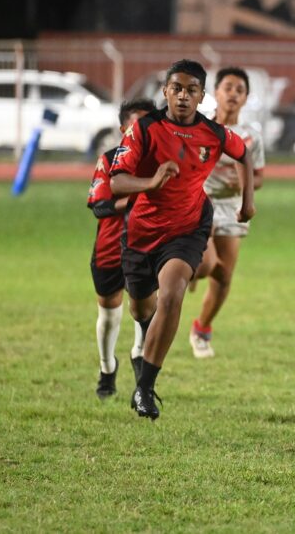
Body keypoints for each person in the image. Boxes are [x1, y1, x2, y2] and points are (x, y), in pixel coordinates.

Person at [110, 59, 256, 420]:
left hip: (187, 228)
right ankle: (148, 337)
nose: (183, 96)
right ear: (165, 91)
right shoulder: (145, 129)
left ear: (202, 96)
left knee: (173, 293)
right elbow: (116, 182)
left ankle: (145, 388)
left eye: (192, 90)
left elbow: (244, 153)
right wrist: (151, 182)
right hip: (142, 231)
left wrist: (247, 202)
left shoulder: (214, 133)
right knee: (141, 309)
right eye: (176, 88)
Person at [187, 67, 265, 358]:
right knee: (206, 264)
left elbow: (259, 177)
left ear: (245, 98)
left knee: (223, 276)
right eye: (228, 88)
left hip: (232, 206)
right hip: (199, 202)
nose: (233, 94)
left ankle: (201, 329)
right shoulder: (199, 127)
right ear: (216, 93)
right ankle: (187, 270)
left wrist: (244, 182)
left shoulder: (251, 136)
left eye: (239, 90)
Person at [87, 98, 157, 399]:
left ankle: (139, 355)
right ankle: (107, 367)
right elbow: (100, 206)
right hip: (110, 248)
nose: (142, 131)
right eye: (136, 125)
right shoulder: (109, 160)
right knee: (109, 314)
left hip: (147, 247)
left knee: (146, 307)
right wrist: (136, 197)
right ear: (122, 129)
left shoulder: (161, 161)